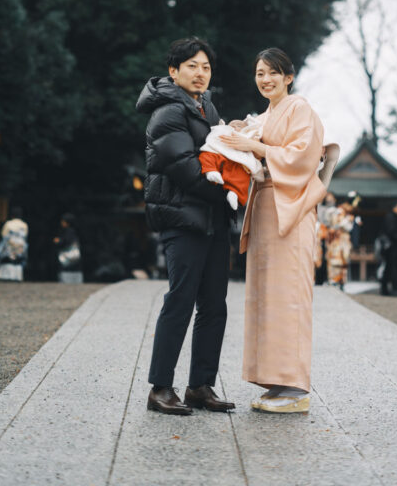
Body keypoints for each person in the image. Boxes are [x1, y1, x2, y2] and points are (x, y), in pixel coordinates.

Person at [222, 47, 326, 415]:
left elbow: (304, 154)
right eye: (259, 73)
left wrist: (256, 145)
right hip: (267, 206)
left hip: (292, 208)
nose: (265, 79)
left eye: (273, 73)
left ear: (288, 77)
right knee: (267, 297)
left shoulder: (299, 108)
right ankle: (276, 380)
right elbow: (255, 150)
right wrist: (242, 134)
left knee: (290, 296)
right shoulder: (265, 116)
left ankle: (296, 388)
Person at [137, 37, 235, 417]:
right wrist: (233, 191)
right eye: (192, 65)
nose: (200, 73)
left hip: (212, 219)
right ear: (174, 71)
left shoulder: (207, 107)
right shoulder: (167, 111)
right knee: (180, 300)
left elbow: (222, 155)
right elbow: (188, 170)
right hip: (182, 217)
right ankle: (160, 388)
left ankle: (200, 386)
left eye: (206, 67)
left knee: (214, 305)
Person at [0, 207, 28, 280]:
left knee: (7, 257)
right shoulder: (24, 225)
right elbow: (25, 236)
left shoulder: (8, 224)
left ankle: (5, 276)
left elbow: (3, 235)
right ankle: (17, 276)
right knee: (18, 260)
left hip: (9, 246)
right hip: (20, 246)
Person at [380, 200, 397, 296]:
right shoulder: (391, 217)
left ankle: (387, 288)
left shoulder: (396, 217)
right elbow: (391, 232)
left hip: (393, 246)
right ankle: (393, 288)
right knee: (391, 267)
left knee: (390, 267)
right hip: (391, 247)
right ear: (395, 207)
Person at [53, 213, 83, 283]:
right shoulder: (75, 231)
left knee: (66, 269)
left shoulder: (67, 231)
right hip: (74, 256)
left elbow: (66, 241)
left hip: (67, 254)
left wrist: (58, 241)